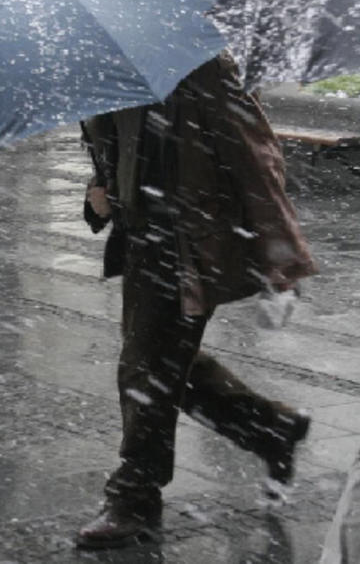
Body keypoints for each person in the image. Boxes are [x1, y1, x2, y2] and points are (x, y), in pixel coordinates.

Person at [75, 53, 317, 549]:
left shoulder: (198, 63)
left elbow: (256, 158)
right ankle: (271, 427)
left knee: (144, 369)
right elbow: (112, 160)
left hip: (188, 243)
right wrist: (97, 196)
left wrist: (282, 262)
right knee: (163, 364)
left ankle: (134, 497)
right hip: (142, 240)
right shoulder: (103, 71)